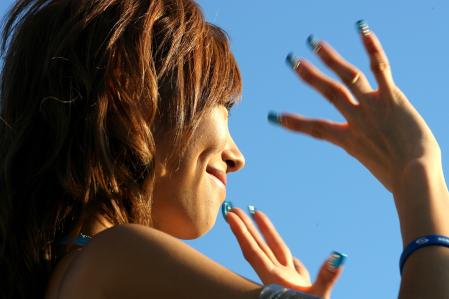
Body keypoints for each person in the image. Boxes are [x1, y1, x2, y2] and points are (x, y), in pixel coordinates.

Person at [0, 1, 447, 299]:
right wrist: (418, 175)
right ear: (129, 90)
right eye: (220, 106)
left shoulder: (72, 275)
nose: (237, 156)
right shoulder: (116, 258)